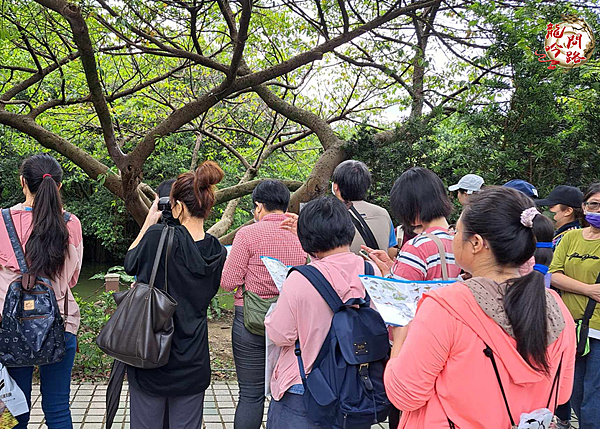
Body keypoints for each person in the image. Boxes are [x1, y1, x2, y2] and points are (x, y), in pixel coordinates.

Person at [384, 187, 576, 428]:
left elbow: (404, 395)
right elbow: (562, 393)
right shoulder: (555, 305)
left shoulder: (446, 306)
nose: (453, 235)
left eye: (457, 231)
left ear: (475, 243)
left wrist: (401, 335)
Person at [124, 161, 227, 429]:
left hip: (151, 354)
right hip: (193, 360)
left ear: (177, 206)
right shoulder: (218, 252)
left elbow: (130, 263)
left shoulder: (158, 236)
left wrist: (148, 222)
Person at [264, 197, 381, 428]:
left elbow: (281, 334)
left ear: (307, 239)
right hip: (356, 387)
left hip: (306, 387)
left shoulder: (299, 279)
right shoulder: (371, 270)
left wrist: (272, 314)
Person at [0, 154, 83, 429]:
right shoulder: (70, 223)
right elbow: (71, 279)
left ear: (22, 182)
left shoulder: (1, 222)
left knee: (13, 408)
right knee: (58, 408)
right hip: (59, 324)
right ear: (58, 186)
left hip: (8, 328)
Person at [221, 180, 307, 429]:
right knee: (286, 392)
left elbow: (228, 282)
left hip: (250, 322)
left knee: (250, 394)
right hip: (290, 325)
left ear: (259, 206)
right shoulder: (301, 237)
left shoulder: (247, 234)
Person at [549, 183, 600, 428]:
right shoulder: (570, 237)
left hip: (598, 329)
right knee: (575, 390)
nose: (598, 211)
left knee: (594, 395)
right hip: (571, 327)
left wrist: (571, 283)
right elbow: (554, 274)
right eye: (594, 204)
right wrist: (588, 289)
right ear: (583, 207)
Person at [364, 167, 461, 282]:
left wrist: (385, 273)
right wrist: (394, 267)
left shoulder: (416, 247)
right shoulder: (458, 239)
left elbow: (400, 294)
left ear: (412, 207)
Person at [331, 160, 398, 258]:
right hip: (376, 272)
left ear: (336, 187)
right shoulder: (383, 214)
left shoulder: (330, 215)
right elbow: (391, 251)